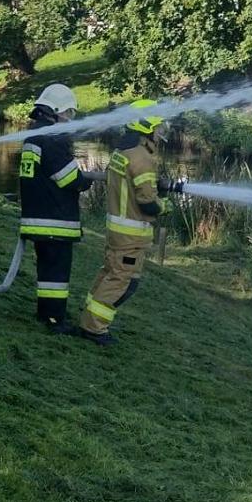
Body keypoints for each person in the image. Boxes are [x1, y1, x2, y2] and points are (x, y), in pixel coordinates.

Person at [80, 100, 170, 346]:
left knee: (111, 275)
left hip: (118, 232)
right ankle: (94, 328)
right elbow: (147, 203)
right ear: (146, 127)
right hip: (131, 235)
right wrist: (164, 205)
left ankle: (90, 319)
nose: (161, 132)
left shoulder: (122, 152)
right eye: (158, 127)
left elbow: (132, 188)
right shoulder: (142, 158)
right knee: (122, 281)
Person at [18, 84, 93, 333]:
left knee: (48, 272)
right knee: (56, 276)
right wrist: (86, 181)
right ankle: (54, 320)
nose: (70, 118)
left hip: (37, 217)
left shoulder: (33, 136)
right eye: (69, 113)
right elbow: (69, 179)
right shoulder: (51, 139)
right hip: (54, 220)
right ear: (57, 111)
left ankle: (47, 314)